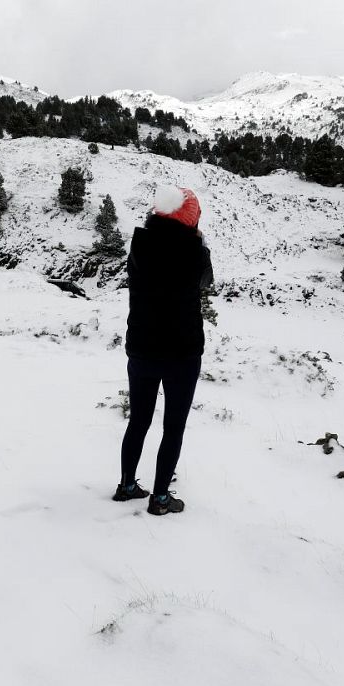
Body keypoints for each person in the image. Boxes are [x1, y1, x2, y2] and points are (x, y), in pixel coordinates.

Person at [113, 185, 211, 516]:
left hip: (141, 348)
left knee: (138, 420)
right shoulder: (195, 252)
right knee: (173, 427)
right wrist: (199, 241)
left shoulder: (140, 245)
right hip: (181, 354)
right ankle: (160, 498)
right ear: (190, 220)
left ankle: (127, 486)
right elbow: (205, 281)